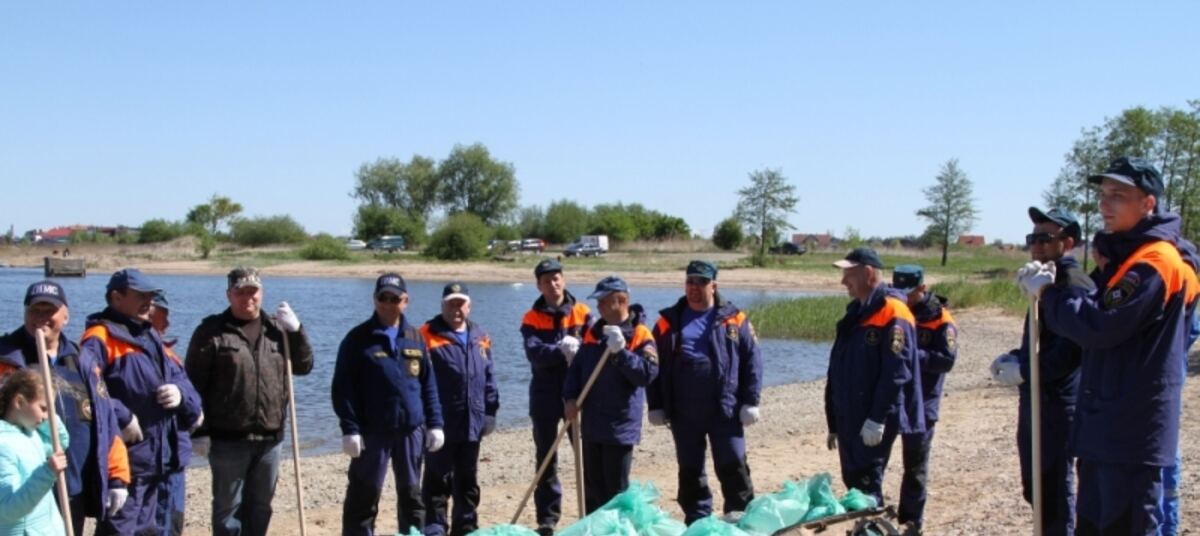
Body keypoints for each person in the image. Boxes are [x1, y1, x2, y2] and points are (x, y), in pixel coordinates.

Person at [1018, 157, 1200, 534]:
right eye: (1103, 195)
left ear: (1148, 203)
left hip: (1129, 431)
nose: (1105, 204)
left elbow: (1098, 325)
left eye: (1118, 195)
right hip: (1106, 427)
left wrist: (1051, 294)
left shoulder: (1154, 263)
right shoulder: (1126, 259)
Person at [185, 267, 314, 536]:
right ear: (229, 295)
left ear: (261, 293)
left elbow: (304, 366)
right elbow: (193, 385)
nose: (247, 298)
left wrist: (297, 331)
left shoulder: (278, 329)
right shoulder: (211, 331)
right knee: (227, 510)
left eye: (252, 292)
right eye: (240, 292)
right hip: (227, 440)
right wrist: (198, 430)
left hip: (270, 438)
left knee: (261, 506)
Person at [990, 207, 1092, 535]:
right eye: (1032, 238)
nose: (1036, 245)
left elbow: (1067, 354)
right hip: (1036, 396)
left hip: (1058, 402)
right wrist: (1015, 357)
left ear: (1068, 242)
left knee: (1052, 488)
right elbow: (1042, 339)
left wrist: (1024, 370)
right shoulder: (1045, 279)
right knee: (1035, 486)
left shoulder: (1071, 284)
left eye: (1045, 239)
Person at [0, 281, 130, 534]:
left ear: (66, 316)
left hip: (72, 484)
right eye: (35, 310)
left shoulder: (82, 360)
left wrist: (117, 475)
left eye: (50, 311)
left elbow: (105, 421)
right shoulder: (6, 358)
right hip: (26, 486)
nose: (41, 317)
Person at [81, 268, 202, 535]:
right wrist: (122, 416)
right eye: (141, 295)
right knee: (119, 530)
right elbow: (87, 391)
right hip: (127, 460)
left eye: (150, 296)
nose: (149, 301)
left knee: (151, 530)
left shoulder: (149, 335)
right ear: (116, 297)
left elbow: (180, 379)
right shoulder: (99, 338)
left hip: (159, 458)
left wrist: (181, 395)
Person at [647, 260, 761, 524]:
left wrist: (751, 401)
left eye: (701, 282)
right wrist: (656, 405)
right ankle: (697, 520)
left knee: (733, 463)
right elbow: (654, 365)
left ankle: (739, 518)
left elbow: (753, 361)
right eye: (690, 281)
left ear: (714, 286)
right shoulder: (666, 322)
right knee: (690, 469)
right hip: (684, 411)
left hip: (725, 408)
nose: (694, 287)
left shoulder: (735, 319)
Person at [333, 273, 444, 536]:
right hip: (372, 433)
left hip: (410, 431)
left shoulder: (416, 337)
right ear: (375, 299)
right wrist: (350, 429)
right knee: (363, 496)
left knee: (412, 497)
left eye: (395, 298)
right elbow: (342, 389)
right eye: (383, 297)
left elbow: (428, 385)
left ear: (405, 301)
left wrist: (435, 424)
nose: (388, 303)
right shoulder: (357, 339)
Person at [824, 248, 923, 506]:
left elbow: (896, 372)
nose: (843, 281)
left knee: (867, 484)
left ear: (868, 273)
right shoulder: (856, 312)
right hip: (850, 415)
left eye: (849, 274)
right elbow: (838, 368)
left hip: (871, 416)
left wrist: (877, 418)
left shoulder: (893, 311)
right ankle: (865, 524)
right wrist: (833, 421)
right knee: (854, 483)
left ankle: (872, 525)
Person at [563, 275, 658, 513]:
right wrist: (570, 398)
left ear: (622, 301)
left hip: (619, 426)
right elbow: (576, 371)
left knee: (615, 491)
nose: (599, 306)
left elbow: (646, 375)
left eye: (604, 301)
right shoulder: (593, 333)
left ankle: (618, 528)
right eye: (599, 301)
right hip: (592, 423)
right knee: (593, 490)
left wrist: (622, 353)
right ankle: (594, 528)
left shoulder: (640, 334)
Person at [519, 259, 593, 536]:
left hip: (578, 394)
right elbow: (534, 353)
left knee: (586, 454)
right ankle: (547, 519)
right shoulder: (531, 317)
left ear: (564, 280)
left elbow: (593, 349)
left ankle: (592, 509)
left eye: (556, 278)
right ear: (539, 285)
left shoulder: (583, 312)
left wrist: (580, 349)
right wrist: (560, 349)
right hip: (544, 394)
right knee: (546, 457)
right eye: (546, 280)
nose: (553, 284)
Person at [420, 283, 499, 536]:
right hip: (440, 424)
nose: (456, 309)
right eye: (451, 304)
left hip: (472, 423)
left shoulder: (480, 336)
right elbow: (417, 381)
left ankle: (465, 528)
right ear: (442, 305)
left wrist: (490, 412)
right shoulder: (425, 334)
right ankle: (434, 529)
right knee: (437, 481)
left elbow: (489, 377)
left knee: (467, 480)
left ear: (469, 306)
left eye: (460, 304)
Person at [890, 265, 956, 532]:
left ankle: (911, 523)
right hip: (892, 399)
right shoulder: (893, 310)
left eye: (909, 293)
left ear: (922, 288)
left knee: (915, 467)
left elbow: (946, 360)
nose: (904, 298)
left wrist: (911, 355)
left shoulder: (941, 319)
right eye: (900, 292)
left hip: (923, 402)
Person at [0, 368, 70, 535]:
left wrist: (49, 415)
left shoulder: (30, 434)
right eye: (44, 408)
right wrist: (47, 472)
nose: (47, 416)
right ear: (19, 402)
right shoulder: (3, 446)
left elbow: (60, 442)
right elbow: (8, 509)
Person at [148, 293, 190, 536]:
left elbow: (193, 400)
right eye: (159, 316)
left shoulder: (171, 357)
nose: (166, 323)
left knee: (172, 522)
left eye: (165, 316)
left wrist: (183, 396)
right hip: (145, 459)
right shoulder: (123, 350)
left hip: (174, 456)